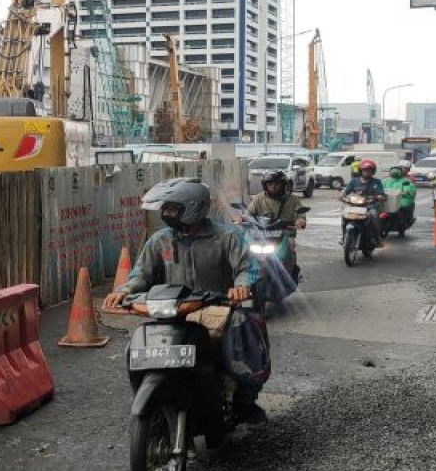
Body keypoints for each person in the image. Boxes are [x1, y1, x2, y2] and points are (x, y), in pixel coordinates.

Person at [103, 178, 267, 423]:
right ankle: (153, 400)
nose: (165, 214)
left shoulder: (229, 237)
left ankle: (245, 400)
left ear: (193, 208)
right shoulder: (160, 240)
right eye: (164, 208)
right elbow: (141, 274)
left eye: (171, 208)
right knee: (136, 348)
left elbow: (247, 268)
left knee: (241, 343)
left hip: (216, 309)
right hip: (173, 310)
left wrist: (241, 286)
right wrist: (125, 290)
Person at [246, 170, 307, 275]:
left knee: (291, 246)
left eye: (276, 183)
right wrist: (242, 218)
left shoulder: (293, 199)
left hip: (286, 234)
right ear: (265, 185)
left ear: (283, 185)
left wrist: (300, 221)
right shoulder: (259, 198)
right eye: (270, 183)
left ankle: (291, 273)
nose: (273, 186)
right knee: (245, 248)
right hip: (262, 235)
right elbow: (249, 213)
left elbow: (301, 214)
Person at [341, 159, 386, 249]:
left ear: (373, 171)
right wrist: (342, 196)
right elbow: (346, 192)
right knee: (344, 217)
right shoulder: (354, 181)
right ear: (361, 171)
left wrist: (379, 196)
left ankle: (377, 238)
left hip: (371, 206)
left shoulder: (377, 182)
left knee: (374, 217)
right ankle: (343, 237)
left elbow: (380, 193)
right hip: (355, 206)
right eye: (364, 170)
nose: (366, 172)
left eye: (369, 170)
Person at [381, 165, 418, 234]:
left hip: (399, 201)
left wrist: (405, 192)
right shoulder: (384, 181)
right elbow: (379, 189)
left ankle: (404, 223)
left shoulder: (406, 181)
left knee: (404, 207)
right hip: (387, 201)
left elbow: (410, 189)